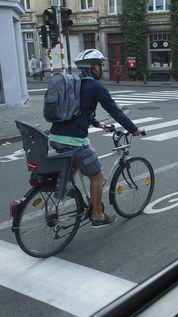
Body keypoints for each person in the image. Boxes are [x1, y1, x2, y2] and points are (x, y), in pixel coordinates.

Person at [49, 49, 146, 228]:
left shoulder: (75, 82)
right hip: (73, 141)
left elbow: (77, 109)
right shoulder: (96, 86)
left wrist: (97, 123)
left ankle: (60, 195)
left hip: (55, 136)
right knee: (97, 175)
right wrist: (134, 129)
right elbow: (115, 111)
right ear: (94, 68)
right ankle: (97, 215)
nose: (101, 68)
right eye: (100, 65)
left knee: (76, 163)